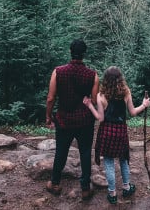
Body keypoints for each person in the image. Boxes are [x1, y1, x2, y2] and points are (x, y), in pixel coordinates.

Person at [83, 66, 150, 205]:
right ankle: (126, 187)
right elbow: (132, 112)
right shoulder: (126, 92)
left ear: (105, 79)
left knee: (108, 162)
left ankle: (112, 194)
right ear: (120, 78)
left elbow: (100, 119)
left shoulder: (101, 95)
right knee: (123, 159)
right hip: (120, 131)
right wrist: (144, 105)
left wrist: (90, 106)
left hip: (106, 131)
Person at [44, 39, 99, 200]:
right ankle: (85, 188)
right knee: (85, 152)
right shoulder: (93, 75)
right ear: (84, 54)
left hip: (64, 120)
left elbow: (50, 98)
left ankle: (54, 183)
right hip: (85, 121)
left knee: (61, 151)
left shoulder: (58, 72)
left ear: (70, 52)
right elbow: (95, 101)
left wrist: (48, 116)